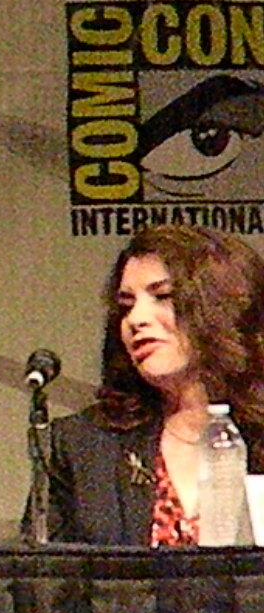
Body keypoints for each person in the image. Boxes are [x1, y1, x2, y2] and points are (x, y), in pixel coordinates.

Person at [40, 224, 264, 546]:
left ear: (222, 307)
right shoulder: (82, 446)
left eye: (162, 296)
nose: (136, 319)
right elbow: (43, 573)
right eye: (126, 305)